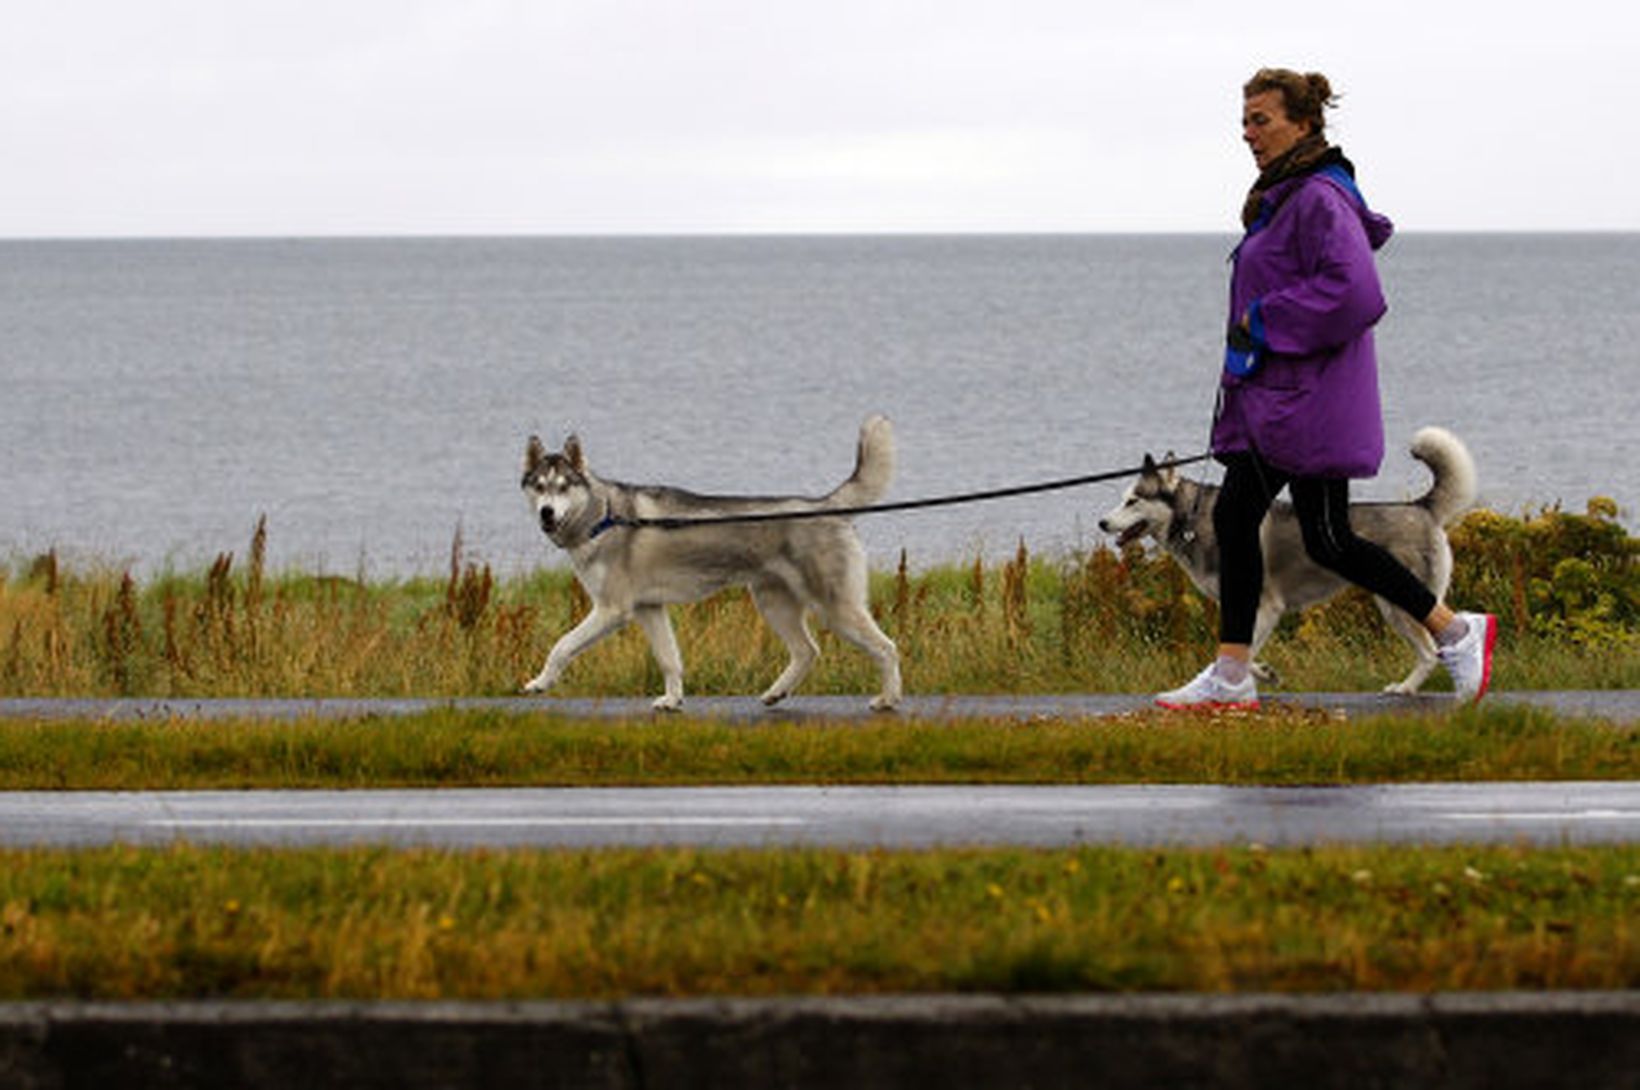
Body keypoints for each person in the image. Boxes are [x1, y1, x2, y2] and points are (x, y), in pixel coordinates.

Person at [1157, 68, 1497, 710]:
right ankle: (1452, 630)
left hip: (1301, 400)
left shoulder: (1317, 197)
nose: (1249, 134)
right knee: (1324, 537)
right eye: (1244, 122)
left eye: (1262, 120)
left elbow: (1357, 292)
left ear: (1304, 123)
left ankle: (1234, 676)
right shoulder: (1287, 195)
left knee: (1240, 517)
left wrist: (1263, 320)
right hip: (1284, 394)